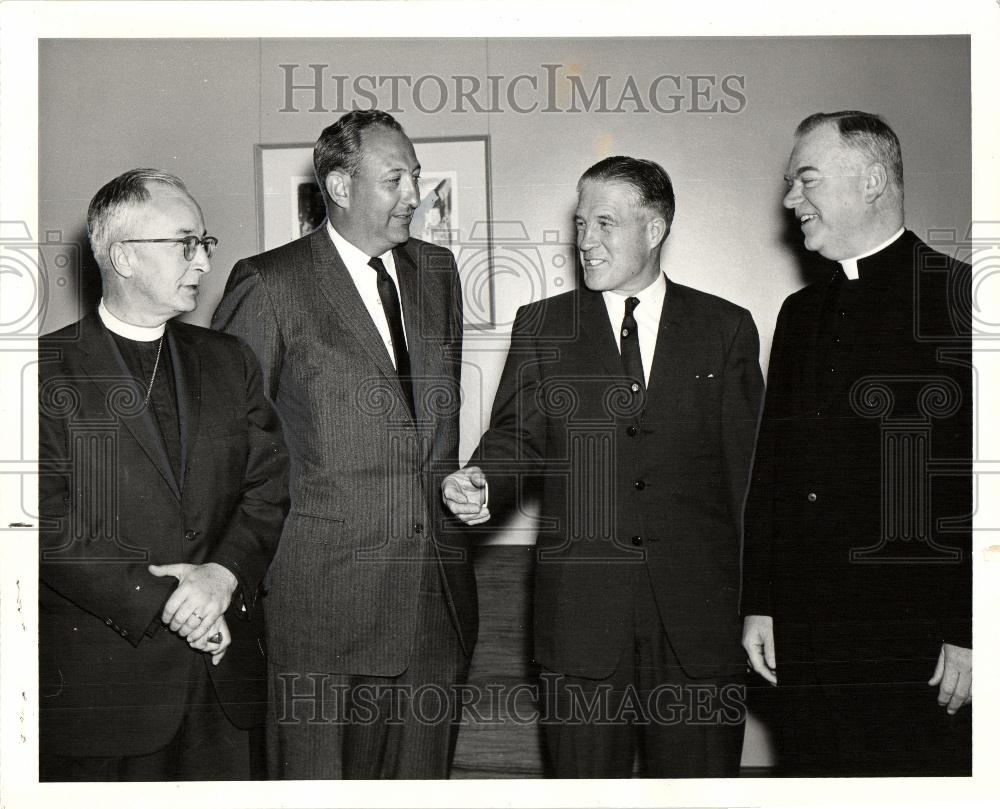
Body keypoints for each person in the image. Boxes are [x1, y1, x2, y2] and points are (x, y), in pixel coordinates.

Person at [443, 156, 763, 778]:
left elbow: (748, 480)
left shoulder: (724, 329)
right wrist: (483, 479)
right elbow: (516, 438)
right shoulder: (544, 326)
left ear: (656, 227)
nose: (585, 241)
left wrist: (761, 606)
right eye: (580, 222)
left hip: (699, 629)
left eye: (605, 224)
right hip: (582, 624)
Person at [212, 109, 477, 779]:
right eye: (394, 180)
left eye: (415, 177)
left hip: (432, 601)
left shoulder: (438, 272)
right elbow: (231, 449)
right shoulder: (269, 284)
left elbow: (430, 430)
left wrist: (458, 484)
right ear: (337, 185)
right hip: (321, 607)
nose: (415, 196)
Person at [38, 168, 289, 781]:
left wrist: (223, 577)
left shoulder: (229, 361)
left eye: (206, 242)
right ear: (122, 255)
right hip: (103, 696)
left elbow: (269, 487)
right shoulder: (40, 371)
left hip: (223, 682)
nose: (203, 261)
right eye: (185, 243)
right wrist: (170, 600)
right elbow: (38, 522)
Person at [741, 111, 972, 776]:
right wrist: (762, 601)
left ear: (872, 181)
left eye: (806, 179)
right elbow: (774, 469)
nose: (790, 200)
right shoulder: (798, 314)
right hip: (807, 638)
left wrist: (971, 631)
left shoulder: (960, 297)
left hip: (920, 642)